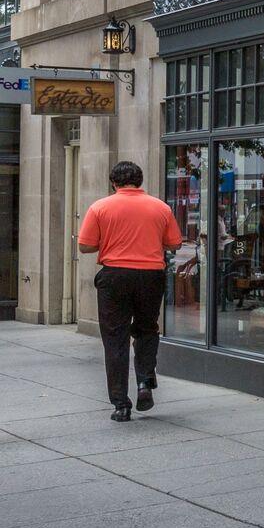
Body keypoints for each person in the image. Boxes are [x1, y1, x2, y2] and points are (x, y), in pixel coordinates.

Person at [79, 161, 182, 421]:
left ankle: (120, 404)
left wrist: (110, 239)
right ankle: (145, 383)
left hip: (114, 276)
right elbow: (174, 243)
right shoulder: (160, 207)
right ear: (140, 181)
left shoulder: (100, 207)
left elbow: (85, 246)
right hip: (150, 275)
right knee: (147, 329)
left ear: (113, 182)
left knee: (115, 338)